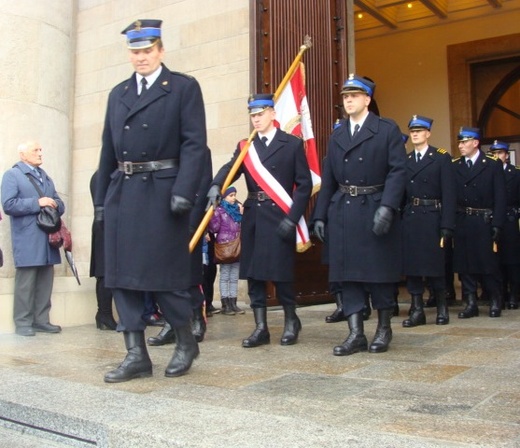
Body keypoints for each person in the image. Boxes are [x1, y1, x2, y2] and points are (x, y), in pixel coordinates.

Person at [94, 19, 208, 382]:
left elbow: (194, 144)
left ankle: (186, 339)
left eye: (146, 51)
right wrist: (100, 199)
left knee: (165, 276)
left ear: (160, 51)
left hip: (163, 192)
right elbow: (107, 149)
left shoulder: (181, 88)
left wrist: (183, 191)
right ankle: (136, 355)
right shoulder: (118, 93)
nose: (140, 58)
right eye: (135, 52)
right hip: (124, 192)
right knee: (121, 276)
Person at [207, 93, 312, 348]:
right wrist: (215, 185)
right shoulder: (247, 146)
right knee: (254, 274)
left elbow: (305, 185)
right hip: (254, 215)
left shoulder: (291, 144)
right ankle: (261, 327)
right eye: (252, 115)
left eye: (260, 114)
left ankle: (290, 320)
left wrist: (293, 217)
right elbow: (229, 168)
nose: (256, 119)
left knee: (281, 273)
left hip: (280, 215)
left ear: (273, 114)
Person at [313, 74, 406, 356]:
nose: (348, 100)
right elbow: (328, 178)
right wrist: (320, 215)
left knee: (378, 274)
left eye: (354, 96)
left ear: (367, 99)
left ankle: (383, 328)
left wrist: (388, 207)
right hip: (344, 210)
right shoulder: (338, 134)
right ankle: (355, 333)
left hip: (374, 207)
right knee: (347, 275)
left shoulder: (386, 129)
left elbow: (398, 171)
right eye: (345, 97)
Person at [1, 141, 65, 336]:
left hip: (48, 237)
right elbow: (9, 204)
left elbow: (59, 203)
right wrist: (38, 202)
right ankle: (23, 322)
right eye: (35, 150)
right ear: (23, 155)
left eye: (40, 149)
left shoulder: (45, 176)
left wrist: (56, 204)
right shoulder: (13, 175)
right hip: (27, 236)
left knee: (46, 279)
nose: (40, 153)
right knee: (26, 280)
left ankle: (41, 320)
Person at [400, 115, 456, 327]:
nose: (415, 134)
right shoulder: (406, 161)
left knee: (435, 267)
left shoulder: (440, 158)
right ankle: (417, 310)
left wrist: (447, 225)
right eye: (412, 131)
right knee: (413, 268)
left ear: (428, 133)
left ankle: (442, 307)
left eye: (419, 130)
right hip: (412, 218)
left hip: (433, 216)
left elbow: (449, 194)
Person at [453, 127, 506, 319]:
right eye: (459, 142)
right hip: (463, 219)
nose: (460, 146)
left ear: (475, 143)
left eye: (464, 142)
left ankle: (495, 299)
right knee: (465, 264)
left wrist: (497, 224)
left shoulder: (491, 164)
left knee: (488, 264)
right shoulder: (455, 165)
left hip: (484, 220)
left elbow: (500, 197)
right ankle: (471, 302)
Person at [487, 140, 520, 310]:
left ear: (506, 155)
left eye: (500, 153)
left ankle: (514, 293)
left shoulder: (516, 173)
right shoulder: (488, 172)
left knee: (512, 260)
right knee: (496, 259)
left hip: (510, 220)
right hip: (493, 219)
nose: (497, 156)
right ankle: (499, 294)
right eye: (494, 153)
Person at [209, 185, 244, 316]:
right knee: (225, 276)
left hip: (237, 245)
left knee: (234, 276)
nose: (234, 198)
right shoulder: (220, 210)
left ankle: (233, 302)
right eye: (231, 195)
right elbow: (214, 228)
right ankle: (225, 304)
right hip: (225, 246)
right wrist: (213, 215)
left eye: (235, 195)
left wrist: (242, 215)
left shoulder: (238, 210)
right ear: (224, 197)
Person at [89, 171, 117, 330]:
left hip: (111, 228)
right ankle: (104, 314)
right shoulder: (101, 176)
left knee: (108, 272)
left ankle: (105, 315)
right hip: (105, 228)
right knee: (104, 273)